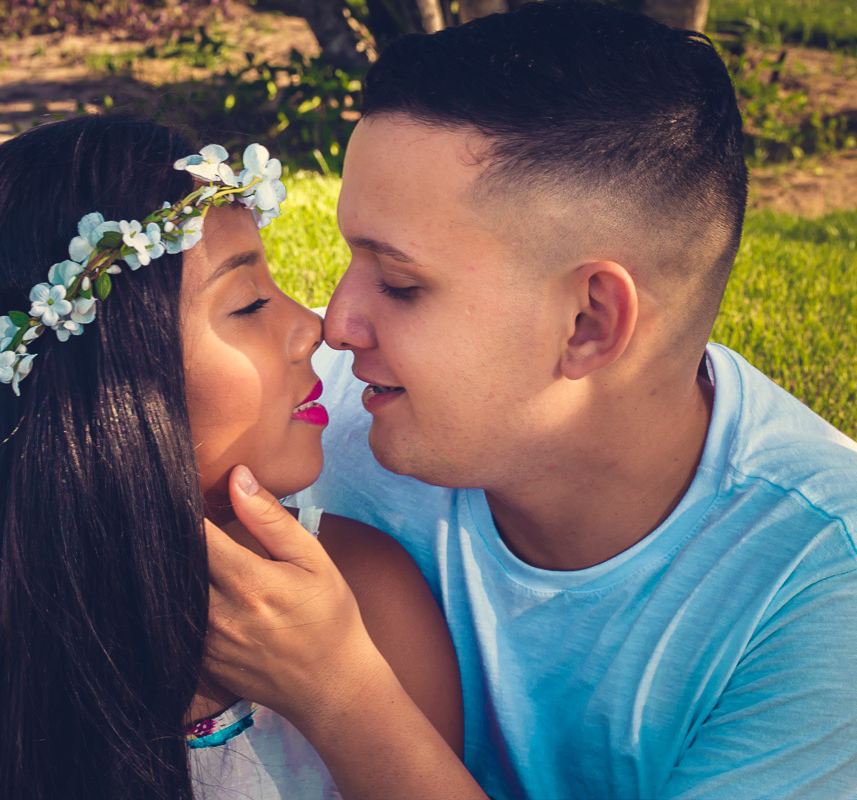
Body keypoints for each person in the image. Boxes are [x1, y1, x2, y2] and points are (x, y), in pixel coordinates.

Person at [202, 3, 857, 799]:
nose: (336, 326)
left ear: (588, 322)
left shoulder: (818, 586)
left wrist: (342, 694)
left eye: (401, 285)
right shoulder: (321, 422)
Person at [0, 115, 463, 799]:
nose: (312, 328)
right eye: (249, 304)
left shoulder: (365, 602)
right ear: (103, 384)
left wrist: (339, 693)